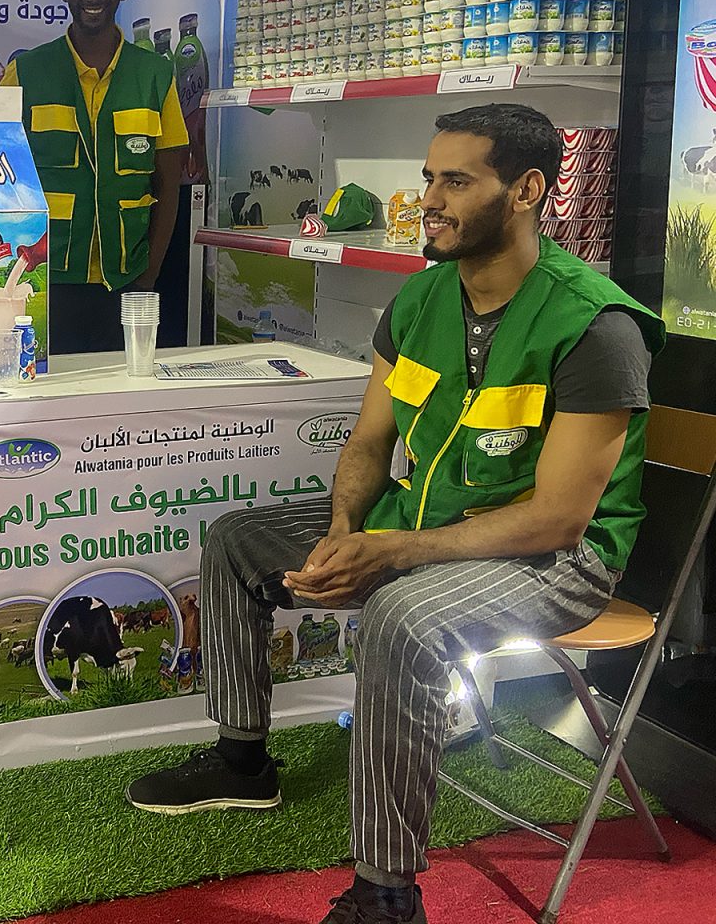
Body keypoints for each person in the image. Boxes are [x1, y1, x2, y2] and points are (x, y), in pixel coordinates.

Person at [123, 104, 664, 923]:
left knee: (402, 616)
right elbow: (370, 443)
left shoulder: (595, 325)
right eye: (427, 179)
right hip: (426, 524)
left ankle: (386, 894)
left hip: (557, 562)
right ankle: (242, 763)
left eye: (456, 181)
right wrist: (346, 533)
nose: (430, 201)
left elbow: (557, 519)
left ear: (527, 191)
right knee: (238, 541)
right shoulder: (421, 300)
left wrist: (391, 553)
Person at [0, 0, 187, 354]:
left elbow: (169, 184)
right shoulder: (25, 73)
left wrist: (149, 275)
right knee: (46, 390)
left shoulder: (155, 75)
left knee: (120, 391)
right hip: (45, 282)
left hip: (126, 280)